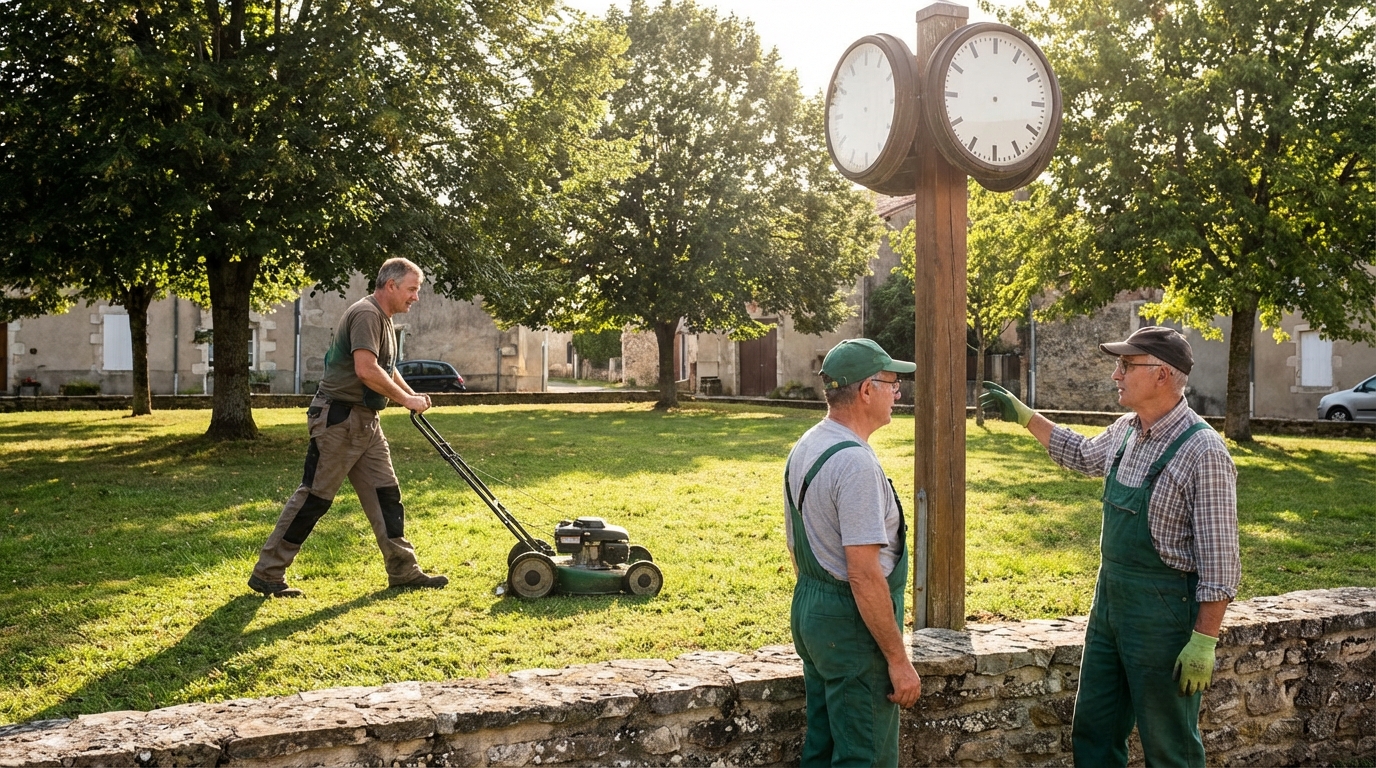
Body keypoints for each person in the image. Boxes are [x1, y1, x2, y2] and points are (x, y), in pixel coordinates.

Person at [980, 326, 1239, 767]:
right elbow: (1082, 454)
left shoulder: (1203, 452)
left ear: (1161, 375)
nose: (1116, 375)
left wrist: (1203, 641)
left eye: (1126, 365)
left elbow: (1220, 563)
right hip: (1110, 605)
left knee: (1169, 743)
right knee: (1095, 728)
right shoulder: (1126, 430)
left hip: (1163, 617)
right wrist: (1026, 417)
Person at [248, 258, 449, 598]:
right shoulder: (367, 314)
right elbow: (366, 370)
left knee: (386, 495)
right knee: (314, 497)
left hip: (366, 422)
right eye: (412, 289)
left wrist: (411, 395)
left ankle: (403, 570)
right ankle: (268, 572)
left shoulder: (383, 320)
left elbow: (386, 368)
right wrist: (405, 401)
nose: (416, 297)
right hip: (339, 420)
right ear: (391, 286)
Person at [785, 338, 922, 767]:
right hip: (853, 624)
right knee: (864, 756)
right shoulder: (856, 465)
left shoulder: (808, 443)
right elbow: (864, 574)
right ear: (866, 390)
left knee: (823, 747)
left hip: (813, 609)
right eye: (892, 383)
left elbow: (795, 544)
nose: (898, 393)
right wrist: (898, 661)